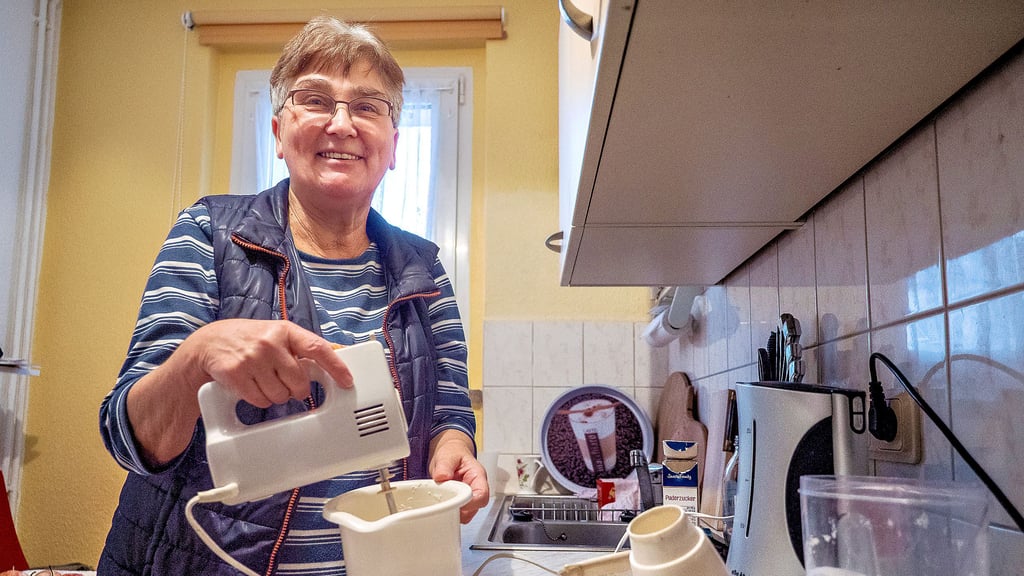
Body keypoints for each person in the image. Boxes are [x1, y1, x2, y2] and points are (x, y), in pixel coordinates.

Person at [97, 16, 488, 575]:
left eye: (368, 106)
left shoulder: (422, 267)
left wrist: (454, 450)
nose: (343, 123)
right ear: (279, 133)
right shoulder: (209, 233)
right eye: (316, 99)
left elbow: (449, 411)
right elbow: (127, 438)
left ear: (394, 146)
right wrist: (196, 357)